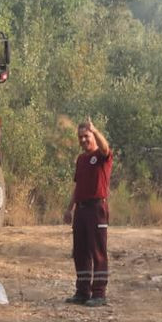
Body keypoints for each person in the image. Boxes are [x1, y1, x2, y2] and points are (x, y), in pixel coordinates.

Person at [64, 119, 112, 307]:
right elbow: (77, 187)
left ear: (93, 136)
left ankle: (99, 293)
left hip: (97, 208)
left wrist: (95, 130)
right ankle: (83, 292)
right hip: (81, 210)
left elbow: (105, 147)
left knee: (98, 251)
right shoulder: (81, 159)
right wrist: (69, 208)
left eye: (86, 136)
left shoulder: (101, 156)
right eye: (80, 137)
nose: (83, 140)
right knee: (80, 252)